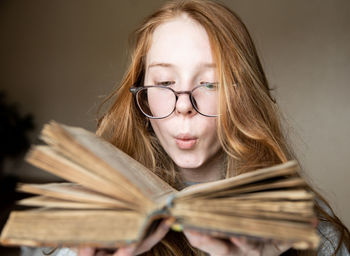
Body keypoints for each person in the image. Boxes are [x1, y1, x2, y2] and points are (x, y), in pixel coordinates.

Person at [51, 0, 349, 255]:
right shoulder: (93, 224)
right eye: (165, 83)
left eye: (209, 83)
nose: (183, 105)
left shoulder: (312, 231)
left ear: (242, 95)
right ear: (142, 92)